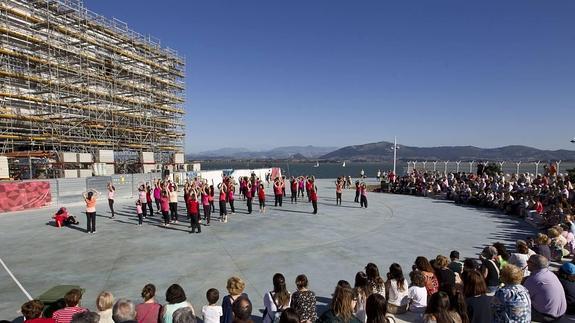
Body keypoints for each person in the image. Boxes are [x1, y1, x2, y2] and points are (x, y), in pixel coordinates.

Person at [523, 254, 566, 321]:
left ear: (532, 264)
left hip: (546, 316)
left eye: (528, 261)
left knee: (514, 306)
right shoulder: (551, 274)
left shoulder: (534, 279)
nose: (526, 263)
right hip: (561, 314)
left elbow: (523, 298)